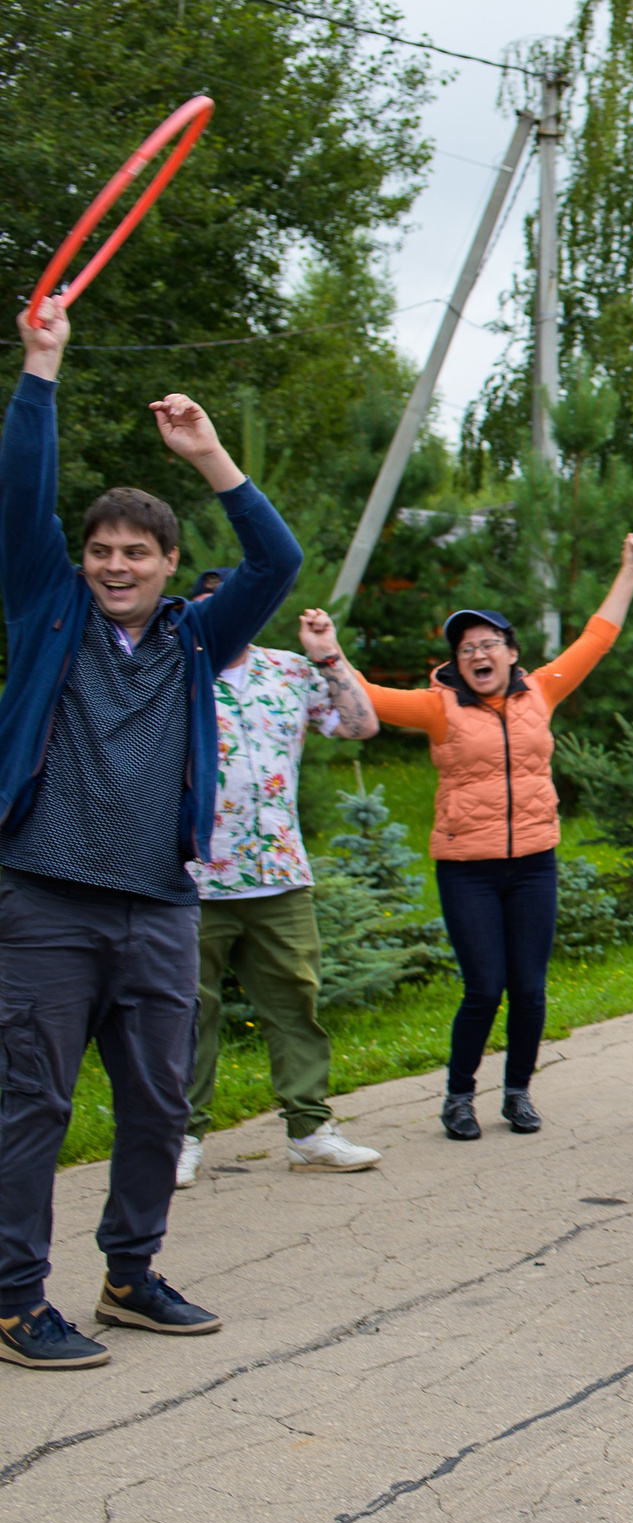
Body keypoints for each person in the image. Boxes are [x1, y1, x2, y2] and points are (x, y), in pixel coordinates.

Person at [0, 298, 302, 1370]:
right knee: (31, 1102)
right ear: (80, 559)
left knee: (158, 1102)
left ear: (173, 564)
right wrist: (43, 368)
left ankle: (130, 1276)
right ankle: (13, 1298)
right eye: (102, 550)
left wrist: (212, 453)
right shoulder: (47, 608)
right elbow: (18, 497)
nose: (117, 564)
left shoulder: (196, 642)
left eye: (138, 551)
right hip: (43, 895)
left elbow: (278, 561)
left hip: (162, 904)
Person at [354, 539, 633, 1140]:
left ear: (513, 653)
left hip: (535, 864)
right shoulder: (438, 709)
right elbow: (370, 699)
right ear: (456, 663)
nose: (478, 653)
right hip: (469, 869)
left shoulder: (540, 690)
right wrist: (327, 653)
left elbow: (598, 638)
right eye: (467, 648)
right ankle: (458, 1097)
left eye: (490, 643)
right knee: (484, 987)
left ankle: (517, 1093)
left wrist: (629, 569)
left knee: (530, 988)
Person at [182, 585, 384, 1186]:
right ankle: (180, 1136)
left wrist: (328, 654)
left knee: (297, 1006)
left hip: (280, 875)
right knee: (186, 1014)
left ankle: (308, 1131)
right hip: (191, 877)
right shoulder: (171, 669)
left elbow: (360, 724)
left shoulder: (289, 671)